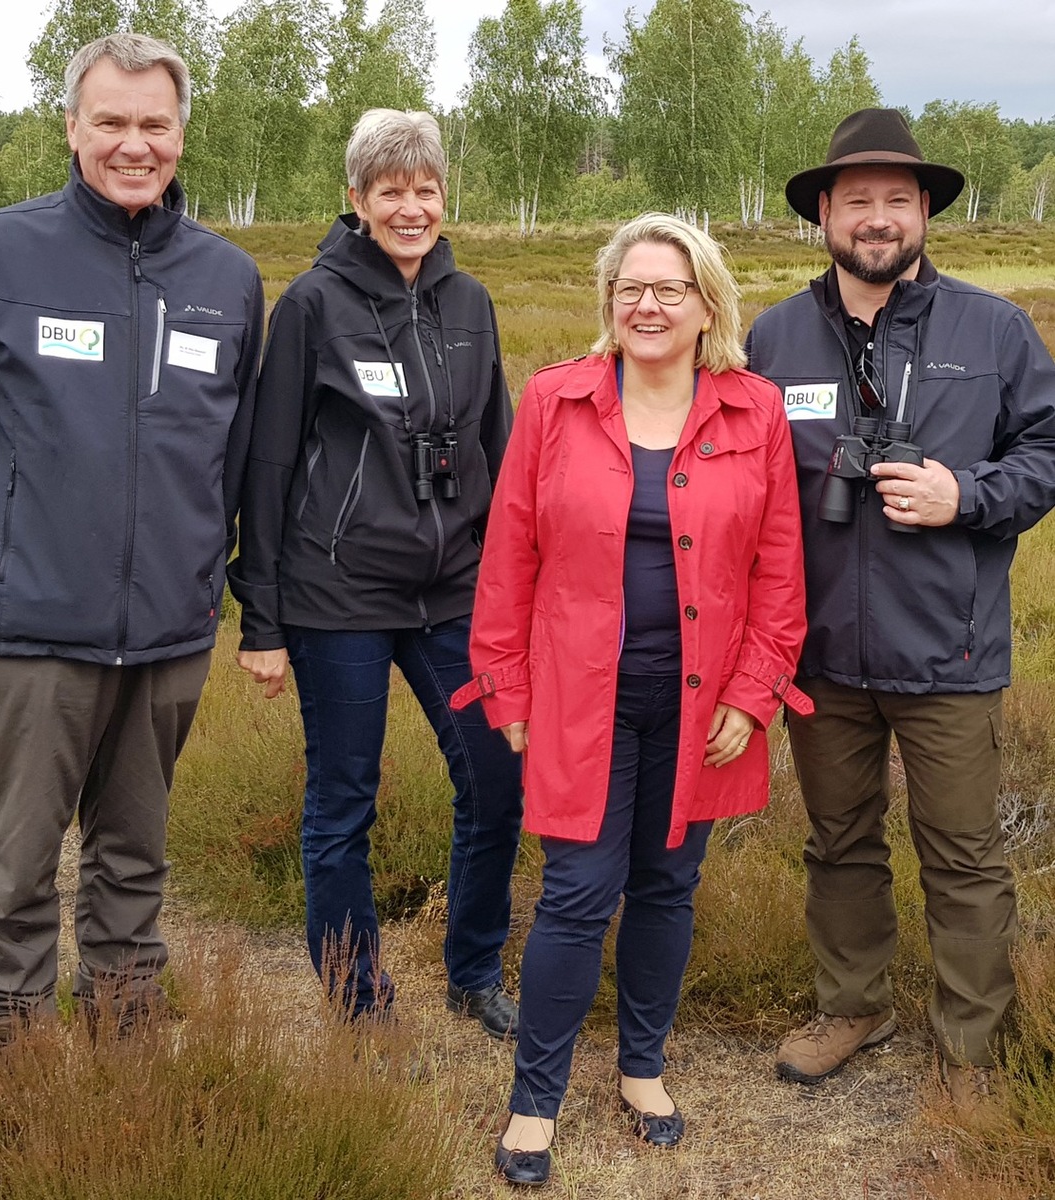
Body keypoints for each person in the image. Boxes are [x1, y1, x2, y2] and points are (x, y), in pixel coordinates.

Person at [0, 34, 264, 1041]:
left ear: (181, 133)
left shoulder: (226, 280)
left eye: (154, 124)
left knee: (134, 855)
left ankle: (124, 1039)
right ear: (70, 128)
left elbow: (235, 459)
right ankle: (13, 1047)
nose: (133, 144)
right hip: (29, 626)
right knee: (17, 855)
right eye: (110, 121)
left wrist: (217, 591)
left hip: (168, 630)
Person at [451, 213, 811, 1187]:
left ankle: (642, 1068)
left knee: (666, 885)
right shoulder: (554, 401)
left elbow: (780, 567)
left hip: (702, 704)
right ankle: (535, 1100)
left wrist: (756, 688)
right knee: (575, 893)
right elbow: (508, 554)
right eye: (630, 287)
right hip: (579, 696)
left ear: (706, 307)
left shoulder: (753, 410)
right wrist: (506, 681)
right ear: (608, 300)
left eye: (670, 288)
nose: (647, 305)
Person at [746, 108, 1055, 1110]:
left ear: (923, 211)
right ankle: (854, 1004)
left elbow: (1045, 456)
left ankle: (967, 1050)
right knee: (837, 842)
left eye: (895, 200)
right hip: (821, 646)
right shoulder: (775, 337)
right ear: (823, 214)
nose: (875, 220)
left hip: (947, 648)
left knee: (962, 855)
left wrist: (964, 496)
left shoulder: (994, 328)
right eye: (856, 201)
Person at [229, 109, 523, 1038]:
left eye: (424, 187)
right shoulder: (313, 304)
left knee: (497, 778)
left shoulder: (470, 303)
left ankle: (473, 972)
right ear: (354, 199)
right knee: (343, 800)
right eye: (388, 189)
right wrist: (263, 621)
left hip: (455, 596)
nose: (409, 205)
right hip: (337, 597)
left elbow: (498, 449)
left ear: (444, 198)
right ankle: (357, 1001)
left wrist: (517, 591)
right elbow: (270, 465)